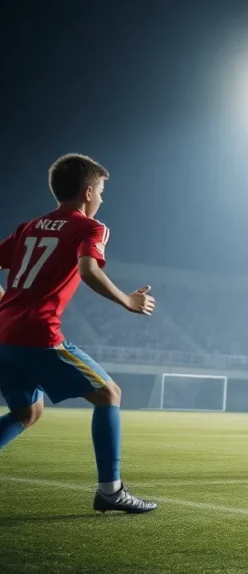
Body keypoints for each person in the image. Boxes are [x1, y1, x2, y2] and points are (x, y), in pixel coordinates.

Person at [0, 153, 157, 513]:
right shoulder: (90, 228)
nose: (102, 197)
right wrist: (127, 301)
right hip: (38, 334)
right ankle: (111, 491)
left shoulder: (29, 227)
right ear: (88, 191)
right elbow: (87, 271)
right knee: (109, 394)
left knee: (27, 413)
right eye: (101, 189)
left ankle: (111, 491)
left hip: (3, 336)